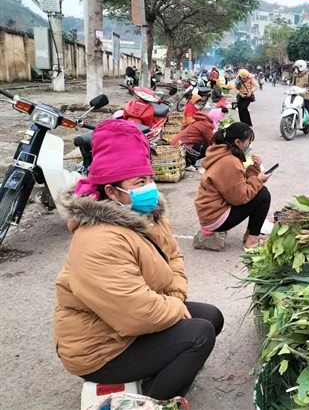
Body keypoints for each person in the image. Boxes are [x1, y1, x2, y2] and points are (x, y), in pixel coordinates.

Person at [54, 119, 224, 401]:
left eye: (149, 179)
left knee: (211, 317)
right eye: (140, 182)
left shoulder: (148, 215)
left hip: (130, 324)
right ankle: (153, 404)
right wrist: (174, 306)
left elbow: (174, 258)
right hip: (101, 347)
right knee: (199, 334)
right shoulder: (98, 240)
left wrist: (175, 298)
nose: (150, 188)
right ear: (111, 191)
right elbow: (133, 311)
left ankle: (162, 370)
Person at [194, 122, 271, 251]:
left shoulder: (223, 153)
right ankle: (251, 240)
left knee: (260, 191)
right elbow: (240, 197)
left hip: (210, 212)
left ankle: (249, 235)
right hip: (214, 217)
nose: (249, 145)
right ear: (238, 142)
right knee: (263, 195)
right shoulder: (229, 161)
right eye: (248, 142)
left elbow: (240, 183)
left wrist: (254, 167)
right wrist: (259, 180)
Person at [291, 59, 309, 139]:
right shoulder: (296, 74)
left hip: (307, 97)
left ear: (301, 67)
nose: (296, 69)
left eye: (297, 67)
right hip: (297, 95)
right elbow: (293, 84)